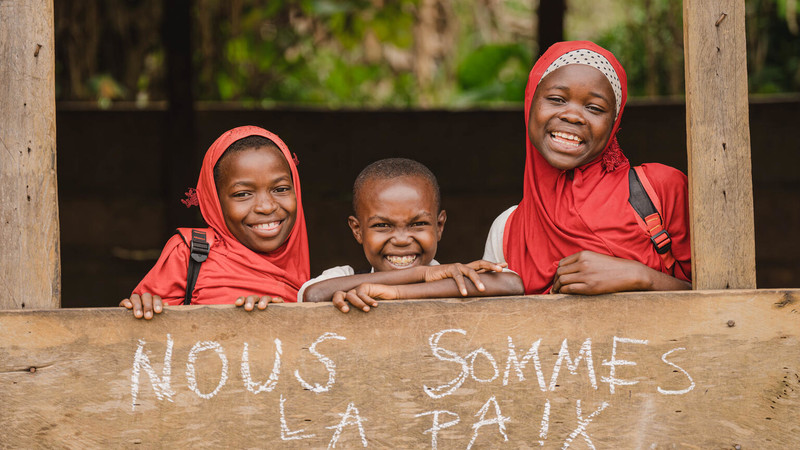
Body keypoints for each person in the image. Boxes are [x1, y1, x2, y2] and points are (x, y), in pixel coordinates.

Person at [483, 41, 691, 295]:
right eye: (557, 99)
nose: (572, 116)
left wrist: (639, 276)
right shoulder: (507, 229)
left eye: (594, 108)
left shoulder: (660, 190)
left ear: (614, 122)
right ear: (530, 104)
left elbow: (724, 297)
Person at [120, 126, 310, 319]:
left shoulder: (317, 281)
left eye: (280, 189)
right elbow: (145, 337)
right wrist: (142, 308)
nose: (266, 207)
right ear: (214, 201)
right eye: (242, 194)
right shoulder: (188, 254)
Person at [302, 158, 524, 313]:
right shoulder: (345, 277)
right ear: (357, 230)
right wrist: (422, 274)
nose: (401, 239)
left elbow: (512, 285)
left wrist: (396, 292)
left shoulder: (455, 279)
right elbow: (313, 295)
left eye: (418, 224)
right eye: (382, 225)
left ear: (440, 226)